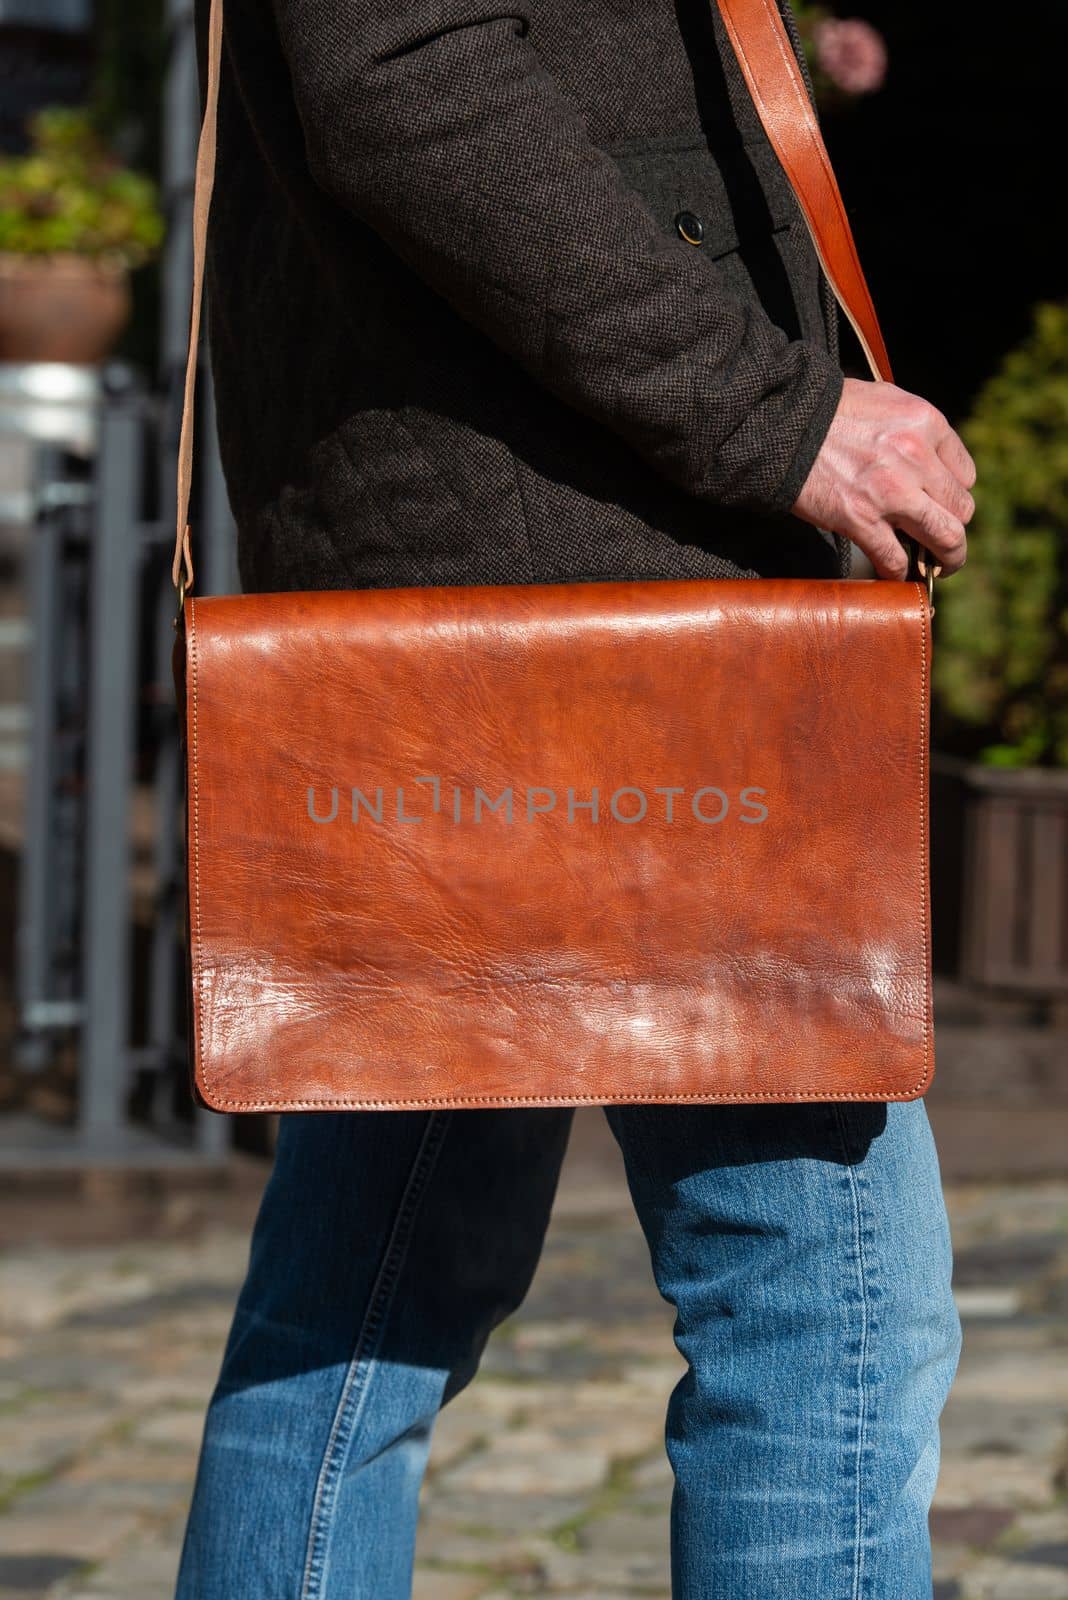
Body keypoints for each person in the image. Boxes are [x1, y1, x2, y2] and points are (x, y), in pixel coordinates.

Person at [175, 0, 975, 1595]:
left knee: (361, 1309)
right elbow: (403, 67)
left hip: (461, 560)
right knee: (819, 1294)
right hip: (602, 561)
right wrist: (782, 413)